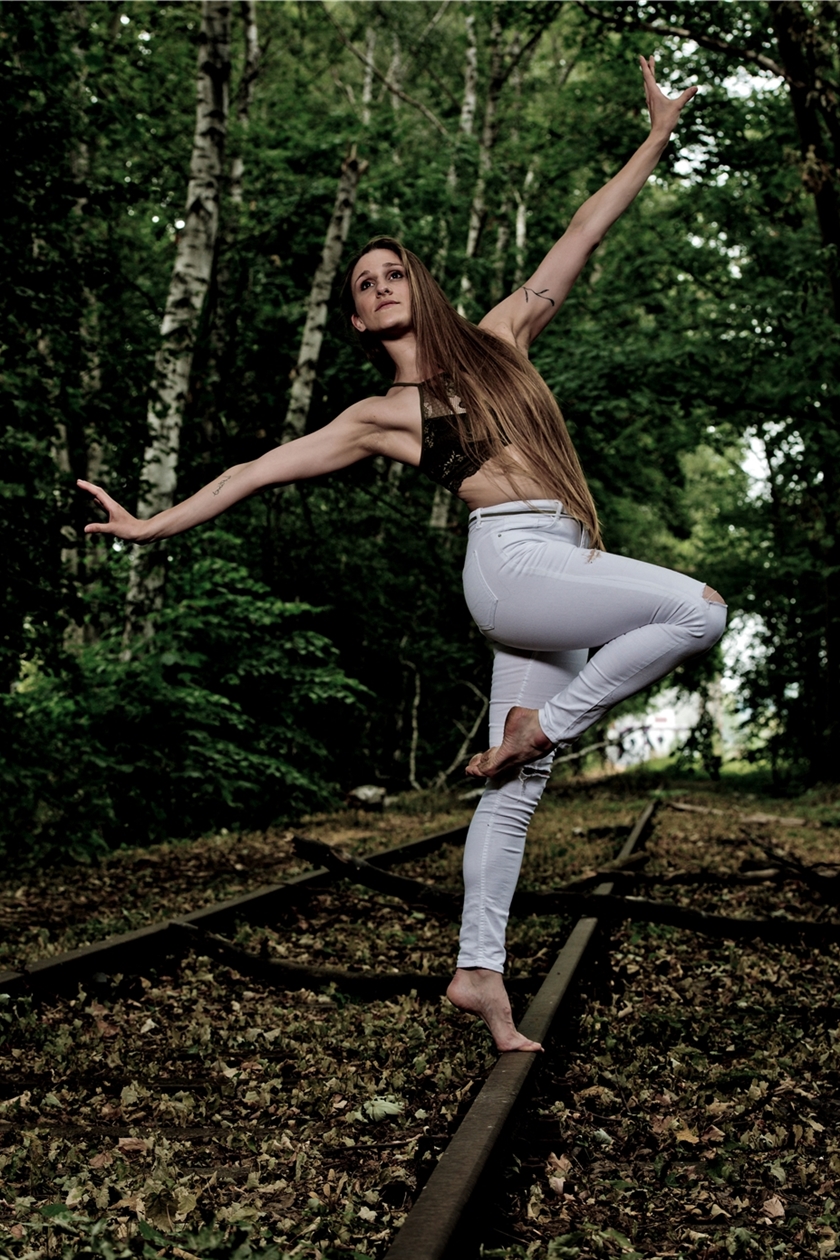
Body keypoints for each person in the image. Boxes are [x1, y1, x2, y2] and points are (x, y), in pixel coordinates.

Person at [79, 57, 725, 1054]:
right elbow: (252, 470)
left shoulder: (503, 336)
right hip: (512, 566)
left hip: (557, 560)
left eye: (391, 273)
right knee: (699, 610)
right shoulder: (379, 415)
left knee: (511, 797)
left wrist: (656, 135)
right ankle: (542, 728)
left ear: (418, 286)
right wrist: (150, 525)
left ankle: (478, 973)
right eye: (363, 284)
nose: (380, 286)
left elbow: (583, 231)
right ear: (356, 319)